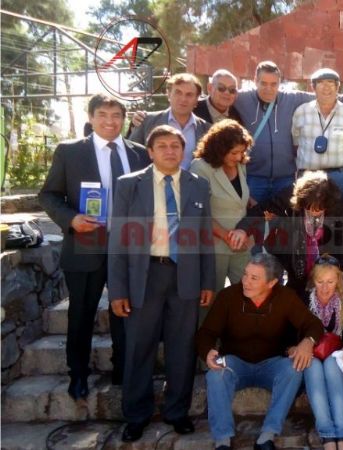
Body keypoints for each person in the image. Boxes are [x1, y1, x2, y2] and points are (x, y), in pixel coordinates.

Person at [108, 125, 216, 442]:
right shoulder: (130, 185)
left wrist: (208, 279)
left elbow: (205, 238)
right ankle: (137, 415)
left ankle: (176, 412)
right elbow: (117, 241)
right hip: (145, 275)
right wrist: (117, 290)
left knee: (182, 347)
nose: (170, 151)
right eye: (162, 146)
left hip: (185, 276)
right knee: (139, 347)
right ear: (151, 151)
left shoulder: (198, 185)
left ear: (183, 151)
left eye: (175, 146)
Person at [39, 93, 150, 399]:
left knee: (125, 311)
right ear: (90, 117)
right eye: (102, 114)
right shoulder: (70, 152)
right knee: (82, 312)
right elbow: (48, 195)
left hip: (128, 247)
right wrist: (71, 219)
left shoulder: (140, 153)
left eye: (116, 116)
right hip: (86, 243)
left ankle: (122, 369)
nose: (110, 121)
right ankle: (78, 374)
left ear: (124, 119)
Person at [197, 253, 324, 450]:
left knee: (294, 369)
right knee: (215, 375)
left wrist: (308, 341)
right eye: (246, 274)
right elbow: (206, 333)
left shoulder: (285, 297)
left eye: (254, 278)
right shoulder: (228, 296)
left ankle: (267, 435)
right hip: (235, 363)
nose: (246, 281)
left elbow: (313, 324)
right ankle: (222, 439)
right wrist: (208, 352)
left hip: (271, 363)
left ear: (272, 282)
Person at [235, 61, 343, 205]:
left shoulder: (291, 98)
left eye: (274, 84)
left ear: (280, 83)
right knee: (253, 221)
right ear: (255, 81)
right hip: (254, 177)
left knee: (286, 223)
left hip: (285, 178)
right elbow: (217, 99)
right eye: (263, 83)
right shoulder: (240, 98)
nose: (268, 89)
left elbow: (324, 95)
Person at [262, 170, 343, 300]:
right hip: (297, 266)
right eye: (309, 208)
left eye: (320, 208)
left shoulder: (340, 203)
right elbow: (266, 208)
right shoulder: (292, 194)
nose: (314, 212)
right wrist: (279, 221)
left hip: (327, 268)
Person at [190, 119, 254, 294]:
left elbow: (238, 199)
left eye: (242, 152)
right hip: (213, 248)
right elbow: (199, 212)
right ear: (219, 149)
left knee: (247, 296)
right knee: (210, 302)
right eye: (234, 153)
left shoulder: (240, 164)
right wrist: (228, 237)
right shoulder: (200, 167)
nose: (239, 157)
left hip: (242, 245)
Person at [302, 256, 343, 450]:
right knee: (313, 367)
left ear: (339, 281)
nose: (325, 288)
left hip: (336, 355)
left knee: (333, 367)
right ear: (312, 280)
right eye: (320, 282)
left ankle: (342, 433)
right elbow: (292, 333)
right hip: (311, 354)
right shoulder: (304, 301)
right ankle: (326, 434)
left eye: (331, 282)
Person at [291, 68, 343, 206]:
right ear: (313, 87)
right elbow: (295, 143)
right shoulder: (301, 112)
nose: (326, 88)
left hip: (340, 177)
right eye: (321, 83)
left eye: (331, 83)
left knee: (340, 223)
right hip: (308, 177)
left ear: (338, 87)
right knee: (308, 222)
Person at [129, 73, 212, 169]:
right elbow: (132, 155)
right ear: (168, 94)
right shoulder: (146, 121)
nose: (183, 99)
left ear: (196, 99)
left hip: (193, 183)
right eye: (178, 92)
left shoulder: (207, 129)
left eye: (189, 95)